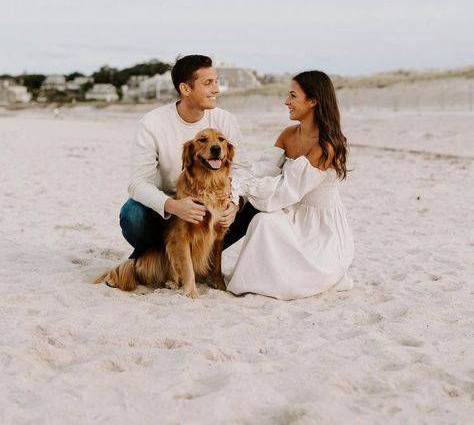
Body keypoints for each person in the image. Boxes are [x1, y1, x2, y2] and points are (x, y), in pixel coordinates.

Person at [226, 70, 354, 300]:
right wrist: (234, 188)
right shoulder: (288, 134)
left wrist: (244, 189)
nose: (287, 101)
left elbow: (286, 191)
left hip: (319, 227)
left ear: (313, 101)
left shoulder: (327, 146)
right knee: (262, 220)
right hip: (292, 213)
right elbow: (263, 171)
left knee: (264, 220)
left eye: (293, 96)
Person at [119, 55, 257, 259]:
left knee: (256, 204)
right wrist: (174, 206)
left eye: (216, 82)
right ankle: (161, 255)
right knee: (133, 214)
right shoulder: (152, 124)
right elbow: (137, 184)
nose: (216, 89)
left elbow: (244, 170)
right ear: (185, 89)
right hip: (170, 211)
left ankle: (202, 258)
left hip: (215, 208)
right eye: (208, 83)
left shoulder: (225, 120)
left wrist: (235, 204)